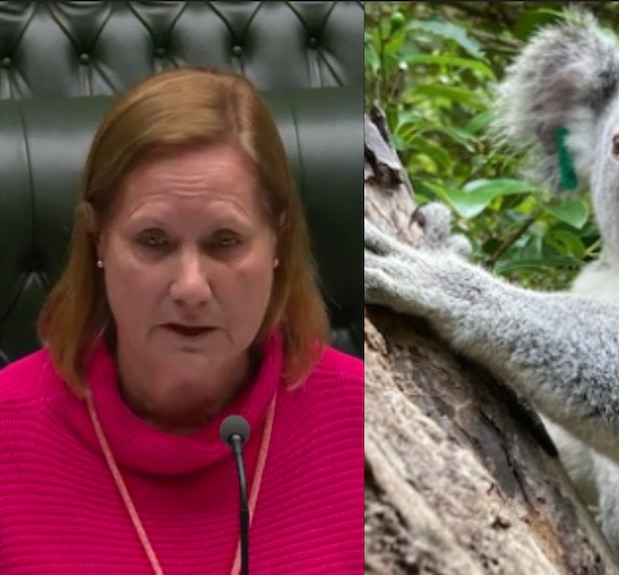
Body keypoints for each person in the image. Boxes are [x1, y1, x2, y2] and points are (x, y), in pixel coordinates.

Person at [0, 67, 363, 574]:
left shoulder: (372, 424)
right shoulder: (9, 426)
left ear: (277, 241)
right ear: (97, 239)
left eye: (224, 243)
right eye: (154, 242)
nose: (190, 288)